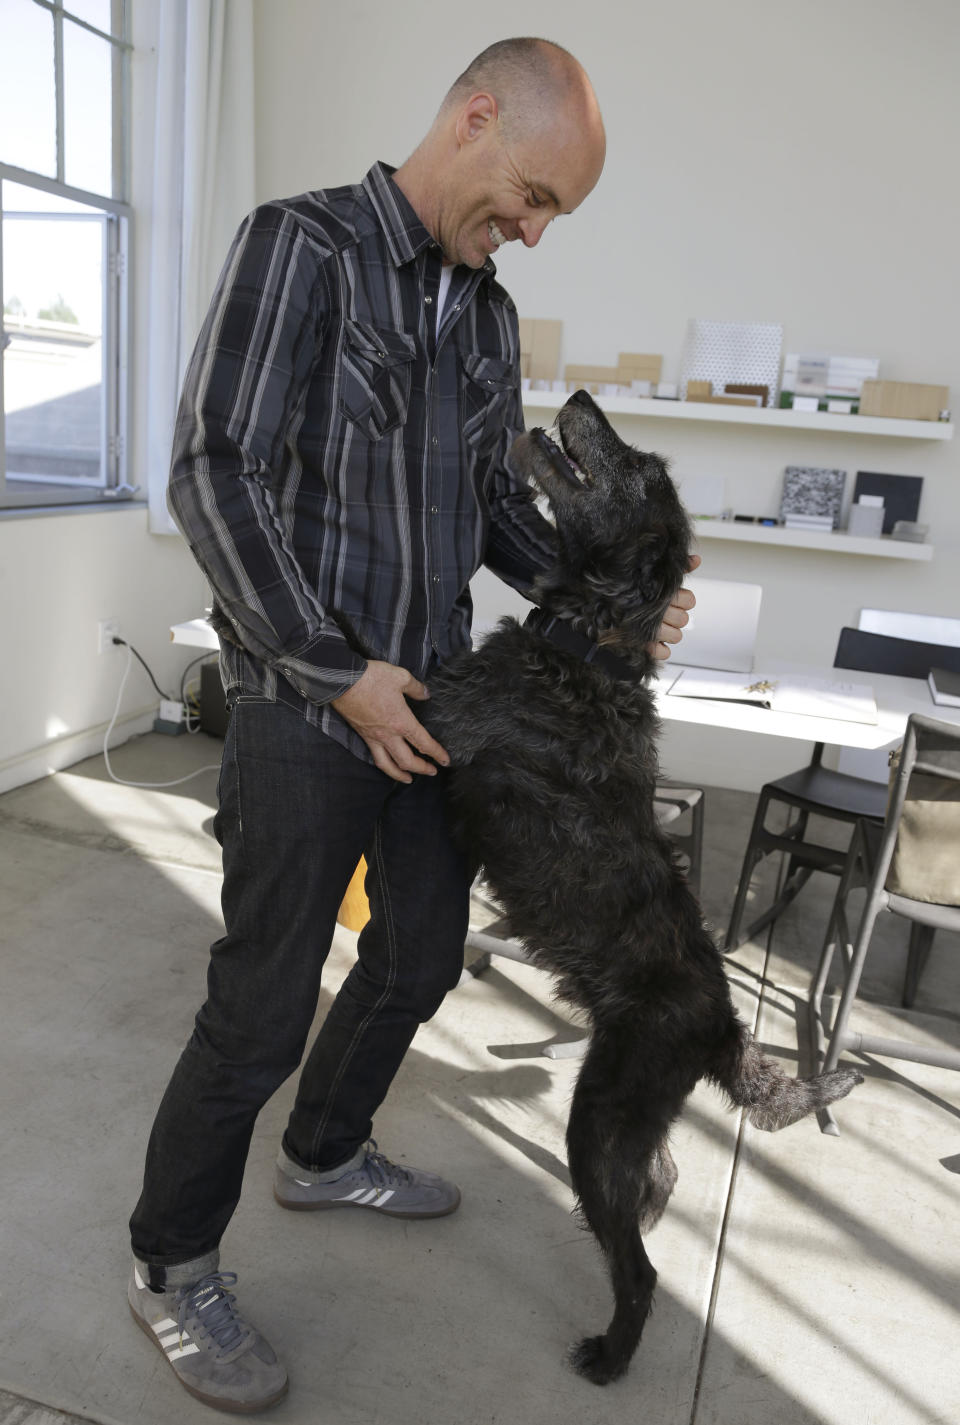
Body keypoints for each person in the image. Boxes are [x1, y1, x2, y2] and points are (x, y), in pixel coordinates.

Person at [127, 37, 697, 1412]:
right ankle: (171, 1261)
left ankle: (323, 1150)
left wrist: (611, 598)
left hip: (433, 710)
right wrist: (334, 668)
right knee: (259, 1010)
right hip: (306, 707)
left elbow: (494, 512)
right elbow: (213, 469)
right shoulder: (302, 250)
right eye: (536, 194)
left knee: (422, 955)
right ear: (476, 116)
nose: (536, 231)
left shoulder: (487, 315)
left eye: (554, 213)